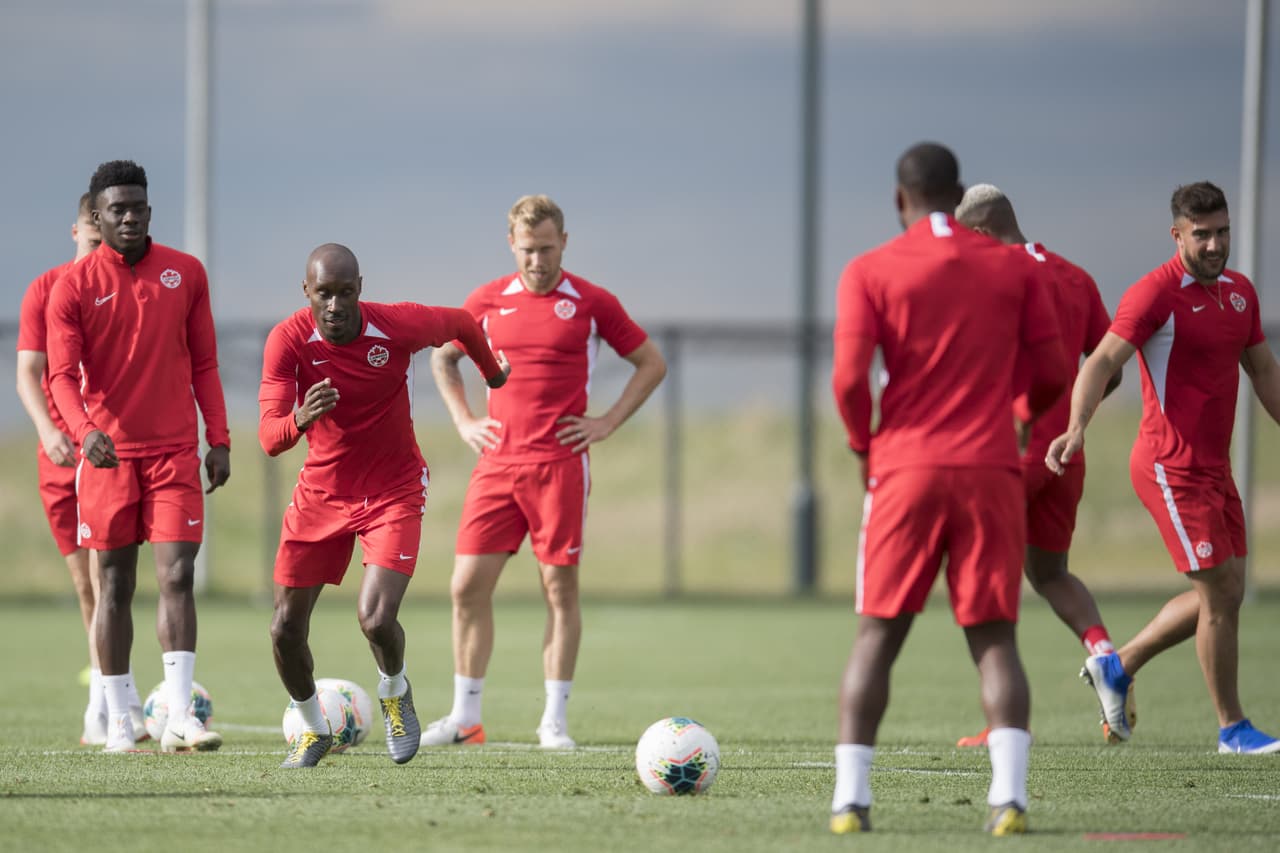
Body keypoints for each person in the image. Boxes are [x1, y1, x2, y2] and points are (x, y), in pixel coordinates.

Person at [829, 143, 1068, 836]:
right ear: (957, 193)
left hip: (904, 469)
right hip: (990, 467)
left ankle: (850, 802)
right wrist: (1019, 414)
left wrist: (863, 443)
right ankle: (1010, 799)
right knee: (994, 637)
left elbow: (849, 379)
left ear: (899, 199)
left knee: (877, 634)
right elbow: (1054, 371)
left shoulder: (869, 269)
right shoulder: (1012, 266)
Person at [420, 195, 666, 750]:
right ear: (512, 244)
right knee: (466, 587)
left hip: (559, 466)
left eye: (548, 249)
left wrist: (607, 422)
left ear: (565, 243)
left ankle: (553, 722)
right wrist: (463, 420)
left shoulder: (592, 302)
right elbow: (443, 357)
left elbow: (652, 363)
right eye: (528, 249)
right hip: (496, 466)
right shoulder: (486, 300)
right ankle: (465, 718)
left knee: (558, 587)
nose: (537, 260)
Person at [1047, 181, 1280, 755]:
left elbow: (1264, 372)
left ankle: (1118, 665)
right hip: (1169, 468)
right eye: (1202, 235)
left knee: (1227, 592)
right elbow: (1101, 360)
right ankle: (1232, 729)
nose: (1215, 244)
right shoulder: (1155, 293)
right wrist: (1077, 426)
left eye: (1222, 232)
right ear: (1177, 235)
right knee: (1220, 592)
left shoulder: (1241, 295)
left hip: (1215, 470)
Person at [260, 243, 509, 769]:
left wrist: (493, 376)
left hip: (393, 490)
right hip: (321, 494)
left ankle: (395, 693)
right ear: (306, 292)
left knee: (375, 619)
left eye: (344, 292)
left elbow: (463, 323)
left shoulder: (395, 325)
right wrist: (299, 418)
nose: (334, 305)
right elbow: (268, 438)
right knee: (284, 629)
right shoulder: (287, 340)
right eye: (323, 293)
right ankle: (313, 729)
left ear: (360, 289)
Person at [45, 160, 231, 753]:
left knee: (177, 575)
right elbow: (59, 376)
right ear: (96, 218)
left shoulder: (186, 273)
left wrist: (219, 438)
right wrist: (84, 432)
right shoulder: (73, 286)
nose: (130, 217)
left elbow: (205, 362)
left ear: (151, 210)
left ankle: (180, 715)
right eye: (117, 209)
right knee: (114, 584)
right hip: (108, 459)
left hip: (174, 453)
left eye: (138, 207)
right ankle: (121, 720)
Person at [952, 184, 1126, 748]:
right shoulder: (1076, 277)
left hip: (1010, 451)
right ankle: (1105, 655)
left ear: (981, 232)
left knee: (983, 580)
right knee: (1050, 574)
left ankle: (1008, 721)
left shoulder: (990, 277)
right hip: (1066, 454)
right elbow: (1110, 367)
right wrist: (1074, 422)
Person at [16, 192, 145, 744]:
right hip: (61, 454)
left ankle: (113, 702)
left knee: (108, 577)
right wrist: (49, 431)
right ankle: (108, 699)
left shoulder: (128, 287)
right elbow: (30, 372)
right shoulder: (48, 289)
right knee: (84, 583)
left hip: (109, 453)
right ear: (77, 233)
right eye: (93, 241)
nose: (101, 251)